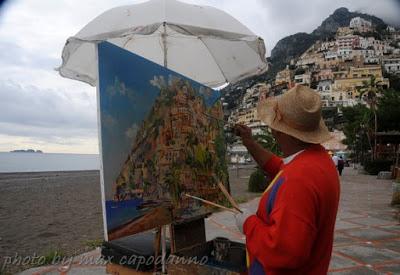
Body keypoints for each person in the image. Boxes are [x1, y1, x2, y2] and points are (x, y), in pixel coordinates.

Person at [233, 85, 340, 275]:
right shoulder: (317, 159)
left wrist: (248, 223)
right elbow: (280, 168)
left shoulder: (298, 179)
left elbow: (283, 252)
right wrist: (249, 143)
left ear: (278, 131)